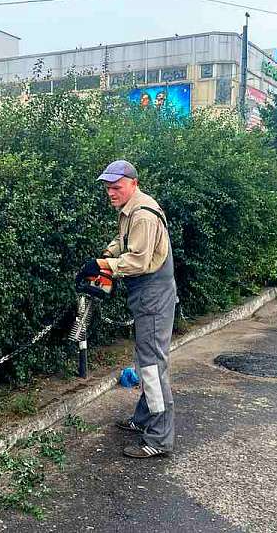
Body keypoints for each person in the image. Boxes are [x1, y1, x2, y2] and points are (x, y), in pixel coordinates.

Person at [78, 160, 178, 459]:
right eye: (108, 188)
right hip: (148, 297)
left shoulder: (143, 215)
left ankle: (159, 438)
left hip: (153, 298)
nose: (111, 193)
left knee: (151, 367)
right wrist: (107, 254)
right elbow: (124, 243)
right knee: (146, 360)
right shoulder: (131, 210)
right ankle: (144, 418)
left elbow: (138, 261)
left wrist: (102, 266)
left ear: (133, 184)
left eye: (117, 187)